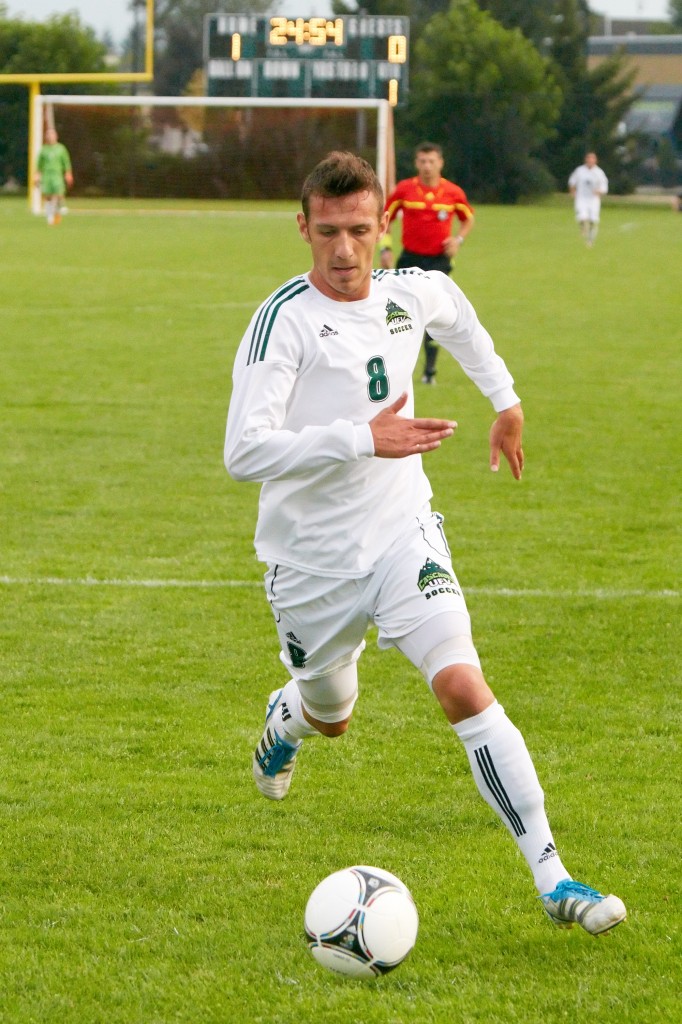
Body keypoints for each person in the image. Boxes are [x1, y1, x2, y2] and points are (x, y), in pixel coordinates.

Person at [224, 151, 626, 936]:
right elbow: (244, 452)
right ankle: (289, 718)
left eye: (361, 231)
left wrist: (505, 400)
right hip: (310, 562)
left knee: (462, 687)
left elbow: (460, 317)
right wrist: (360, 439)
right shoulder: (284, 322)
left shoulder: (413, 292)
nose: (346, 251)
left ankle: (556, 878)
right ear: (303, 228)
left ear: (385, 228)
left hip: (403, 530)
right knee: (332, 713)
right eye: (329, 232)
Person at [379, 142, 475, 385]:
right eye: (422, 161)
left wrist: (458, 240)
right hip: (409, 259)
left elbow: (468, 218)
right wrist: (386, 248)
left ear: (440, 163)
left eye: (431, 161)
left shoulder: (452, 192)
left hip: (439, 261)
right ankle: (394, 368)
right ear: (416, 163)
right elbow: (384, 219)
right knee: (398, 312)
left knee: (435, 314)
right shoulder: (404, 190)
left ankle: (429, 371)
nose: (427, 166)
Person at [34, 127, 73, 226]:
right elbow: (39, 165)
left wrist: (68, 174)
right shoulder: (44, 150)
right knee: (48, 196)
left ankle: (55, 213)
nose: (50, 137)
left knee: (57, 194)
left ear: (56, 136)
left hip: (57, 175)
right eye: (48, 135)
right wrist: (37, 176)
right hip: (47, 175)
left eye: (52, 134)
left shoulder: (61, 149)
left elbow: (66, 162)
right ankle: (50, 216)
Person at [568, 152, 608, 247]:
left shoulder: (599, 173)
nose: (590, 161)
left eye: (592, 159)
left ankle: (590, 240)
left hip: (593, 199)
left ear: (595, 161)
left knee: (593, 220)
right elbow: (572, 182)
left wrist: (599, 191)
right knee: (582, 216)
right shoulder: (579, 170)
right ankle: (583, 226)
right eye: (588, 159)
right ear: (586, 160)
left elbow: (604, 187)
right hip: (581, 198)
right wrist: (573, 192)